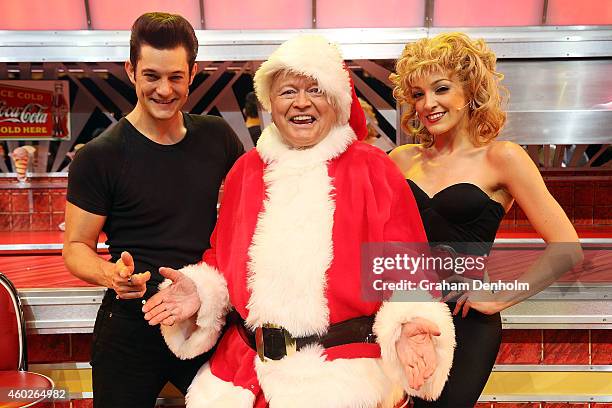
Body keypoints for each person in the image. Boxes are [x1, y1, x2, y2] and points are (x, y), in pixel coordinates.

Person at [142, 35, 456, 407]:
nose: (302, 102)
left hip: (342, 377)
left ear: (336, 101)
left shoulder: (372, 168)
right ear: (270, 103)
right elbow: (222, 257)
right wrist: (201, 291)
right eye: (288, 91)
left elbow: (407, 265)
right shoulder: (246, 171)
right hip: (244, 374)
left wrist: (410, 322)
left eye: (316, 89)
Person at [389, 32, 583, 407]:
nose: (428, 104)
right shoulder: (400, 159)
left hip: (466, 323)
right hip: (403, 315)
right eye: (417, 94)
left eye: (441, 89)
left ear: (470, 90)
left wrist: (499, 297)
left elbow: (567, 247)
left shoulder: (502, 158)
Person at [62, 12, 244, 408]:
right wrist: (111, 274)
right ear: (131, 71)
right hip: (130, 325)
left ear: (192, 73)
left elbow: (249, 215)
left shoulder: (219, 138)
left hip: (203, 318)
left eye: (176, 77)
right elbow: (75, 246)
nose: (164, 89)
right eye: (152, 76)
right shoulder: (99, 156)